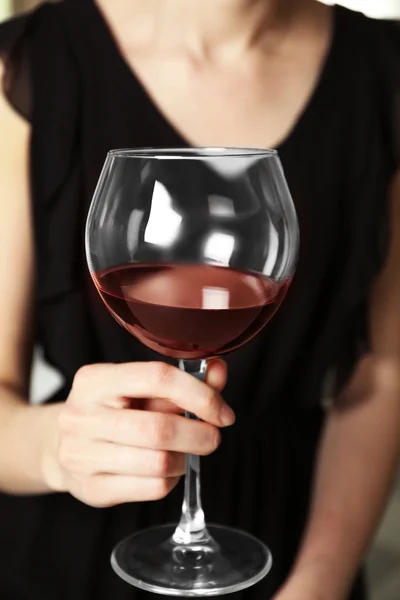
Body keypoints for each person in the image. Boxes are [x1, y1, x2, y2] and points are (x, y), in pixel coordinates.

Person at [0, 0, 399, 598]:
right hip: (72, 551)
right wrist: (57, 450)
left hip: (301, 530)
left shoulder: (383, 68)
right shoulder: (34, 60)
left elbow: (383, 373)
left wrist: (318, 581)